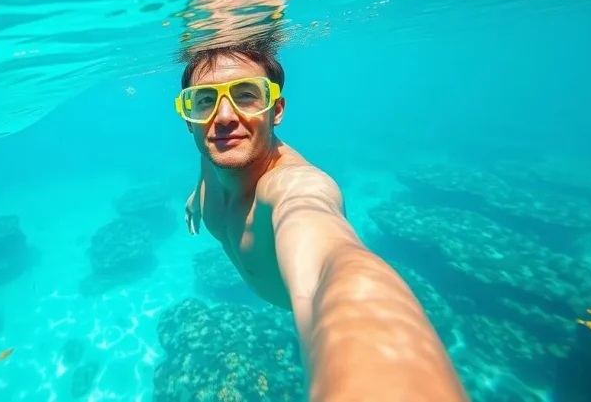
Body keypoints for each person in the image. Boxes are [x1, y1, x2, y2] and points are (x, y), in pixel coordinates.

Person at [177, 41, 468, 402]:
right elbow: (210, 160)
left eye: (246, 96)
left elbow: (329, 261)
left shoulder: (293, 187)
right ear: (189, 118)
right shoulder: (218, 147)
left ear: (277, 109)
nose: (223, 117)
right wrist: (197, 197)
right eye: (204, 100)